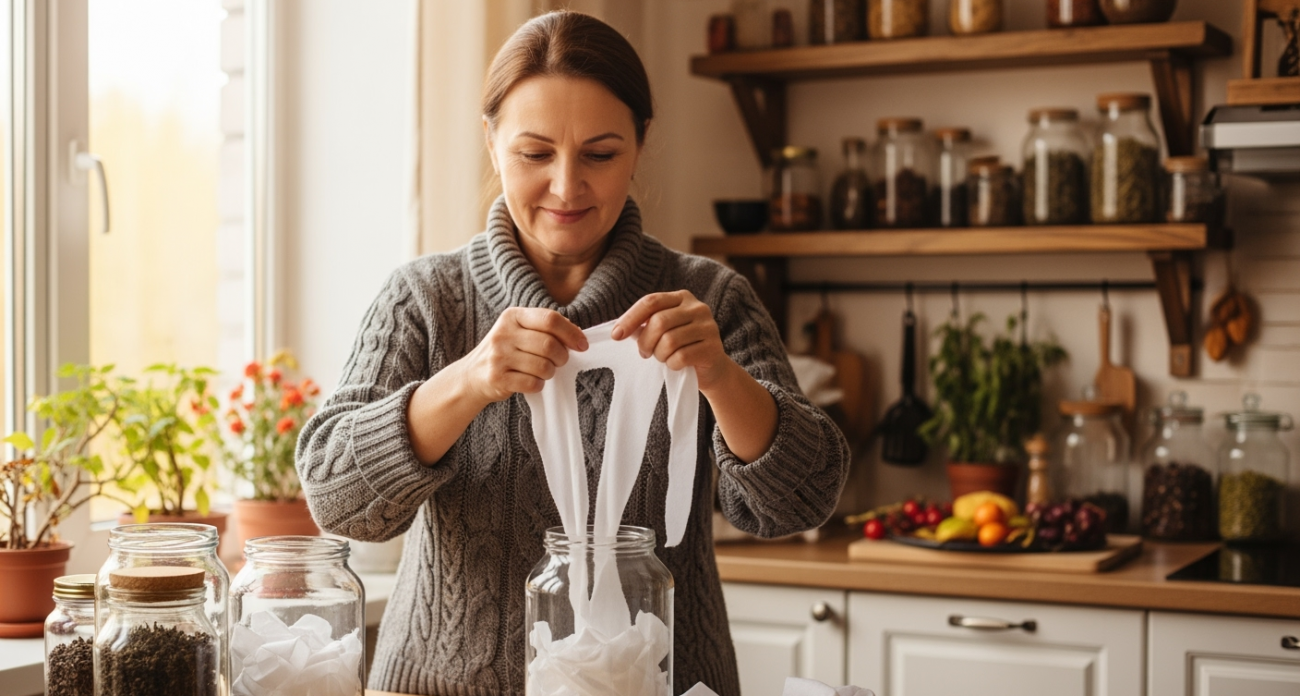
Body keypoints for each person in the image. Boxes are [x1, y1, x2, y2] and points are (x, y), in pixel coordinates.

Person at [297, 11, 850, 696]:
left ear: (641, 144)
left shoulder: (710, 299)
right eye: (535, 154)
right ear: (491, 141)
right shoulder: (424, 299)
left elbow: (801, 501)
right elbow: (336, 500)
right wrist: (467, 382)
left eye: (600, 153)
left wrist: (720, 377)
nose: (566, 186)